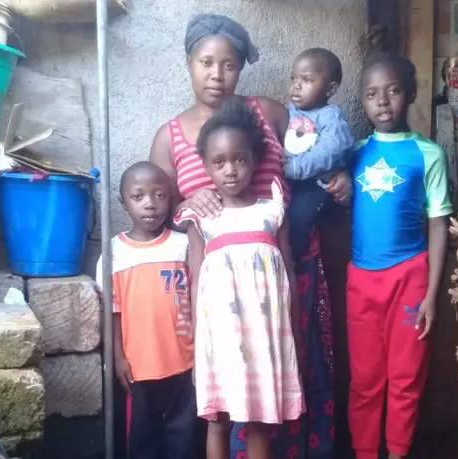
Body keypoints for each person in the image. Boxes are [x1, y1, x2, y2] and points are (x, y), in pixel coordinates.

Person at [149, 13, 351, 459]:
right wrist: (189, 202)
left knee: (290, 370)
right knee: (227, 397)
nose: (216, 75)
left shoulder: (270, 113)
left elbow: (318, 148)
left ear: (241, 68)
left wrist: (339, 174)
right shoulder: (169, 136)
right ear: (188, 63)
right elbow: (159, 207)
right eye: (205, 63)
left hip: (283, 271)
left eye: (228, 64)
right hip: (221, 285)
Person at [174, 97, 304, 459]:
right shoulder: (201, 220)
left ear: (255, 160)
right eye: (219, 162)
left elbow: (289, 271)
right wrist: (197, 344)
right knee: (218, 422)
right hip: (220, 338)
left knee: (259, 422)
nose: (230, 170)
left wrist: (293, 329)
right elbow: (195, 280)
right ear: (205, 167)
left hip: (265, 336)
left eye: (240, 159)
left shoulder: (273, 211)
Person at [346, 51, 453, 459]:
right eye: (372, 94)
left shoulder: (428, 154)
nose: (383, 101)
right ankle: (364, 452)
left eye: (392, 91)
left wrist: (431, 295)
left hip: (410, 277)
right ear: (362, 100)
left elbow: (439, 224)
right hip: (360, 279)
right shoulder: (353, 153)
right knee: (365, 380)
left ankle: (398, 451)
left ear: (410, 94)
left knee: (406, 377)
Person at [96, 162, 196, 459]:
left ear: (171, 198)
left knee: (186, 438)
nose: (150, 204)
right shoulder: (113, 252)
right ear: (123, 202)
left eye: (160, 195)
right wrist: (118, 358)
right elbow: (112, 312)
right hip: (139, 367)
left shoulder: (183, 245)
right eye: (138, 196)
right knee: (143, 439)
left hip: (185, 363)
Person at [284, 48, 355, 263]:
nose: (296, 86)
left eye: (306, 80)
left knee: (298, 217)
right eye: (294, 78)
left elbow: (330, 150)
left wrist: (296, 167)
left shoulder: (330, 116)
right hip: (293, 181)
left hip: (318, 183)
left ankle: (295, 260)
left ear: (330, 89)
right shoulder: (289, 111)